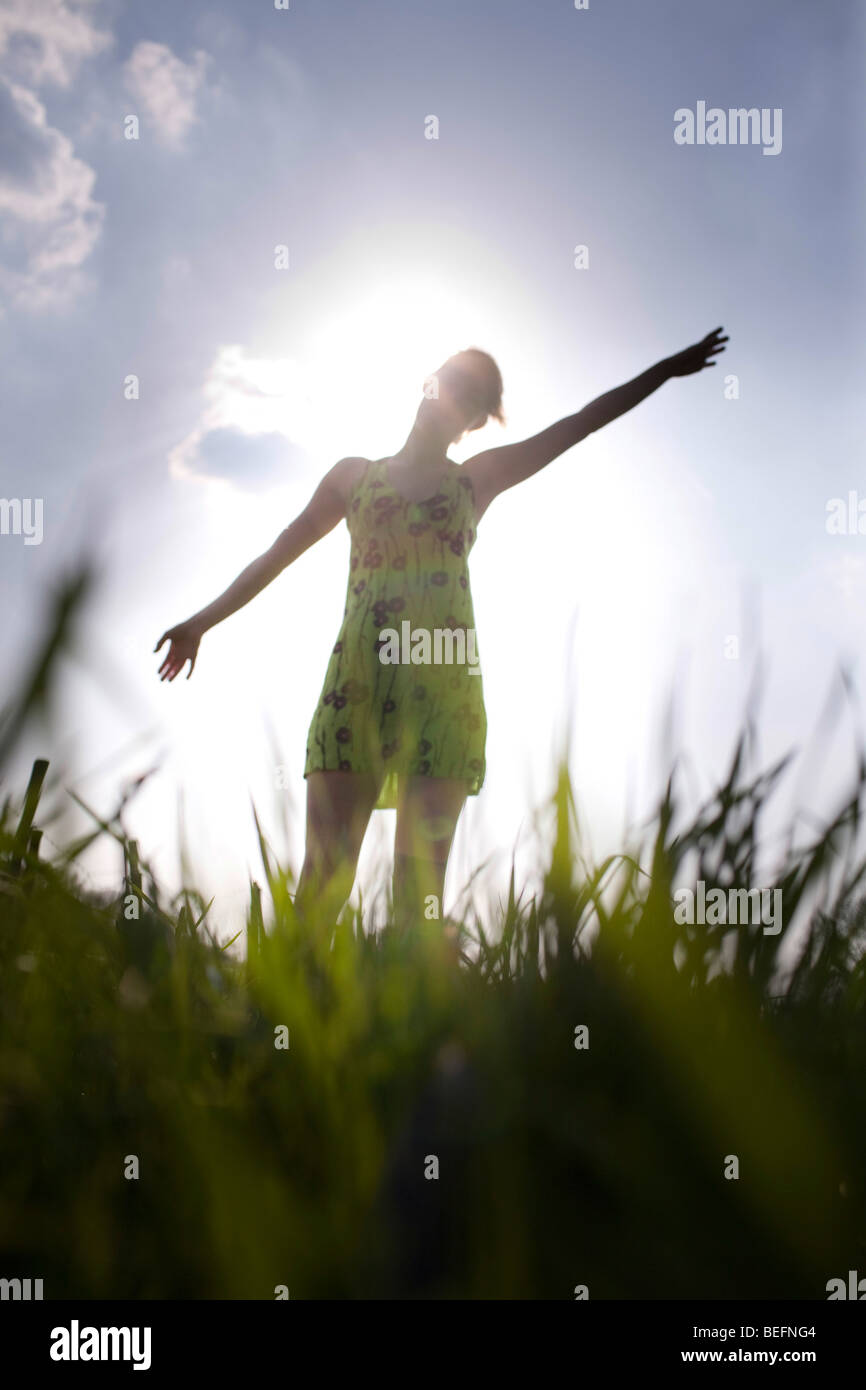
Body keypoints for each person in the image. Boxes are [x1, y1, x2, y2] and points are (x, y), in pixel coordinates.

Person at [156, 327, 728, 931]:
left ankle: (414, 1023)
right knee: (322, 882)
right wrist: (200, 623)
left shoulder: (477, 480)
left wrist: (662, 370)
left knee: (417, 901)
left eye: (470, 394)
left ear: (475, 421)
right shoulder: (353, 477)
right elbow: (276, 555)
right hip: (356, 686)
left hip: (444, 692)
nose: (450, 394)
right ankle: (276, 1025)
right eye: (448, 378)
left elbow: (580, 422)